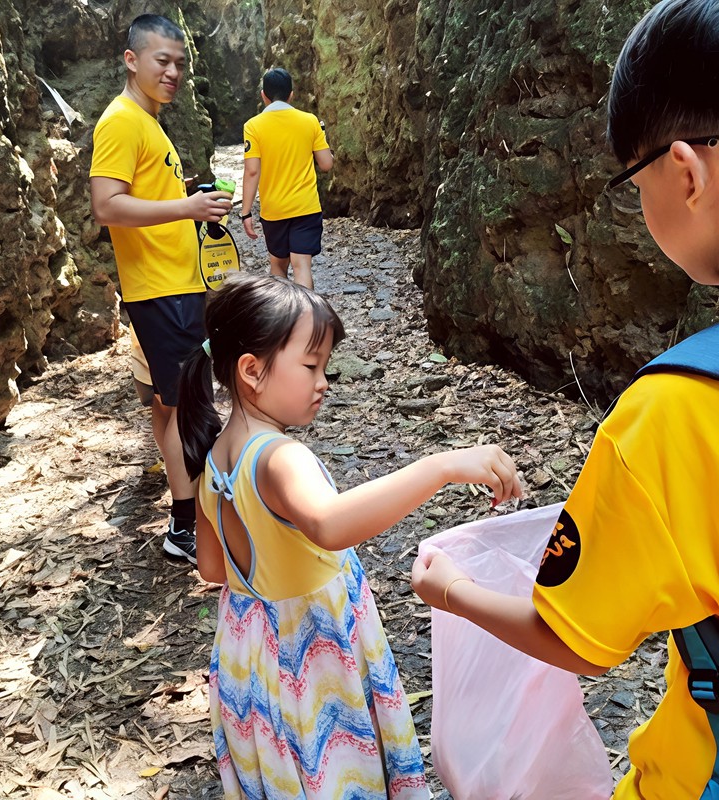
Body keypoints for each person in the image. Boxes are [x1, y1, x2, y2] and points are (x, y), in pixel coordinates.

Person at [411, 0, 719, 796]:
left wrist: (449, 591)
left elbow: (576, 638)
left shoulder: (671, 412)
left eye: (635, 180)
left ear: (686, 173)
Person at [177, 273, 522, 799]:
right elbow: (330, 524)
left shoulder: (214, 457)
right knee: (336, 772)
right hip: (313, 656)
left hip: (249, 655)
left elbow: (211, 567)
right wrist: (441, 466)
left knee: (291, 775)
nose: (324, 381)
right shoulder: (279, 457)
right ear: (252, 370)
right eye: (311, 366)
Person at [90, 14, 233, 565]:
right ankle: (186, 525)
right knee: (188, 407)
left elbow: (144, 197)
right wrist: (186, 206)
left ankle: (190, 508)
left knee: (168, 402)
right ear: (132, 60)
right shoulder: (122, 121)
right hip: (163, 292)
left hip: (174, 284)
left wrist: (189, 201)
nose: (173, 73)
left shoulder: (148, 121)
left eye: (179, 63)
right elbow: (106, 205)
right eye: (162, 61)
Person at [239, 68, 333, 289]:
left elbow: (252, 171)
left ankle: (282, 321)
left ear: (264, 95)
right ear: (292, 94)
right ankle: (308, 321)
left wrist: (245, 212)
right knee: (302, 266)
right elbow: (326, 164)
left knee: (278, 266)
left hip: (274, 210)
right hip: (306, 207)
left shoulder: (253, 126)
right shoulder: (310, 121)